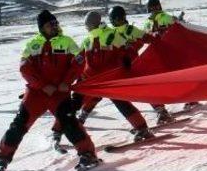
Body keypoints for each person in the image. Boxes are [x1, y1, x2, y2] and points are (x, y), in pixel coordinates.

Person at [0, 10, 98, 171]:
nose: (55, 26)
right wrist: (42, 86)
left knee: (69, 122)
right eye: (51, 24)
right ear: (42, 27)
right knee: (19, 124)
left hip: (59, 92)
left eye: (56, 23)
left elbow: (79, 62)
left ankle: (88, 155)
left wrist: (67, 81)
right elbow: (25, 68)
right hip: (36, 94)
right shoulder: (32, 44)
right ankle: (3, 157)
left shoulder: (67, 41)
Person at [53, 11, 154, 145]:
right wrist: (65, 78)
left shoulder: (112, 35)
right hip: (89, 79)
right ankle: (58, 131)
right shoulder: (88, 39)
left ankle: (142, 129)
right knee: (75, 103)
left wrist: (127, 60)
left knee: (120, 102)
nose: (86, 27)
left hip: (107, 78)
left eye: (87, 24)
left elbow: (129, 50)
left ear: (92, 24)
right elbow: (78, 60)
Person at [144, 0, 185, 122]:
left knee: (176, 77)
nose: (154, 9)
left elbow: (178, 29)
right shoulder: (148, 22)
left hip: (169, 53)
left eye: (156, 6)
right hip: (156, 55)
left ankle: (191, 98)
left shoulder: (166, 17)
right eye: (152, 7)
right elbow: (146, 36)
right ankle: (161, 110)